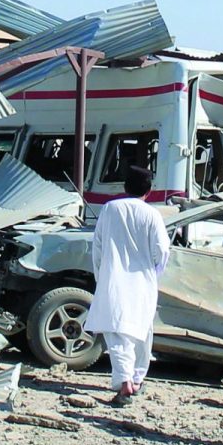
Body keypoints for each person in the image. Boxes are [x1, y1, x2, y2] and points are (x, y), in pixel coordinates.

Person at [85, 164, 170, 404]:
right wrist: (154, 272)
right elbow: (162, 251)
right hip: (144, 282)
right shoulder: (152, 214)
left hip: (114, 280)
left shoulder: (110, 209)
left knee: (118, 333)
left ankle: (125, 384)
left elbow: (98, 246)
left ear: (124, 187)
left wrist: (101, 275)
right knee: (142, 331)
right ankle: (137, 378)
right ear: (149, 190)